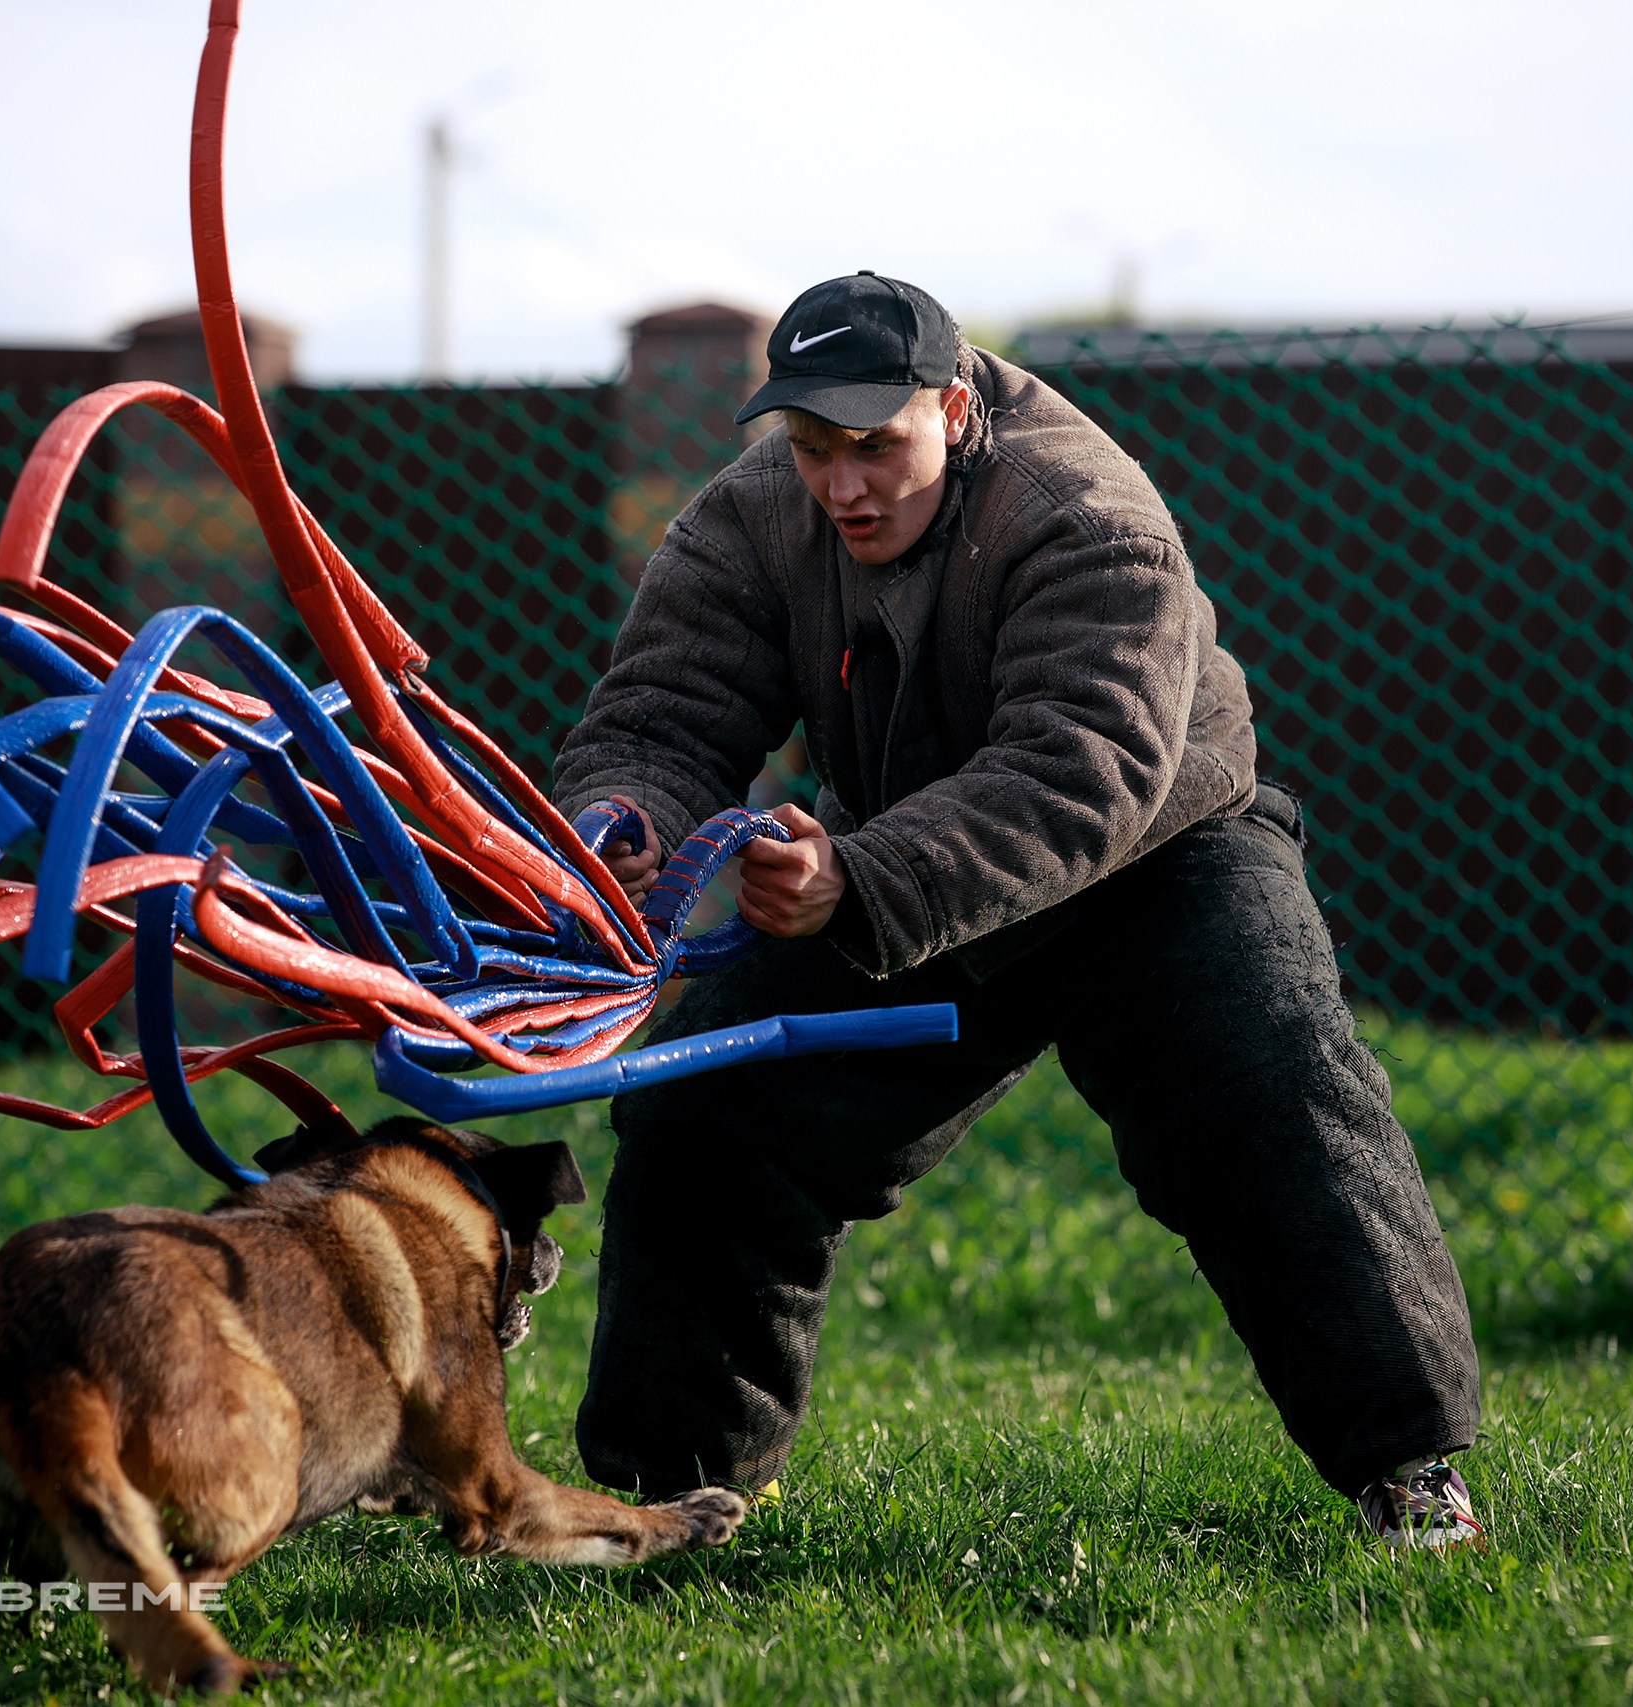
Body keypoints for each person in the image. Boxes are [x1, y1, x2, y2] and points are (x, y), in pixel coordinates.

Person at [553, 272, 1484, 1549]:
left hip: (1156, 860)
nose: (842, 486)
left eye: (875, 446)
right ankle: (669, 1501)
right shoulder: (756, 512)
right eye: (814, 449)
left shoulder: (1085, 513)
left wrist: (856, 881)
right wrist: (625, 826)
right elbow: (665, 711)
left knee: (1275, 1100)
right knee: (702, 1104)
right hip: (900, 867)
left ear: (954, 405)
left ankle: (1411, 1473)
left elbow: (1078, 769)